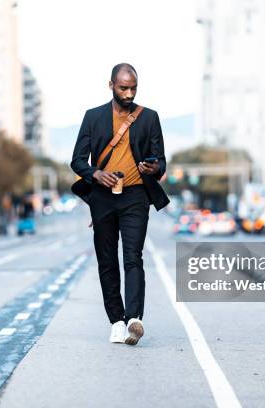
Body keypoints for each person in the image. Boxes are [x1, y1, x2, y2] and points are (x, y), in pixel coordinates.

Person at [70, 63, 170, 345]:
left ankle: (134, 319)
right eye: (123, 87)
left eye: (133, 88)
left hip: (137, 195)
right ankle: (116, 320)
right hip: (102, 197)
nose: (128, 93)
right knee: (107, 260)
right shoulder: (93, 117)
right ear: (111, 85)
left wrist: (153, 168)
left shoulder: (149, 117)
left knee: (132, 257)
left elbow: (160, 161)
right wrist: (95, 174)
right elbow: (77, 160)